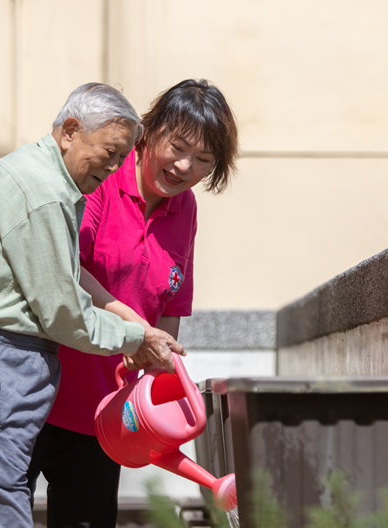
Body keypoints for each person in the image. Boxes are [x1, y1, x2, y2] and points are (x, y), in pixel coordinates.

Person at [0, 83, 185, 528]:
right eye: (109, 152)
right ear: (70, 131)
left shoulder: (34, 175)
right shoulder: (44, 191)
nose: (114, 166)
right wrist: (136, 337)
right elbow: (63, 313)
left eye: (122, 156)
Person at [27, 79, 239, 527]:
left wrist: (159, 380)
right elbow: (66, 265)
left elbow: (172, 305)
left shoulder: (185, 209)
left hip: (106, 415)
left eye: (203, 160)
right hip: (37, 391)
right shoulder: (104, 173)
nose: (184, 167)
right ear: (149, 130)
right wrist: (136, 331)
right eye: (177, 147)